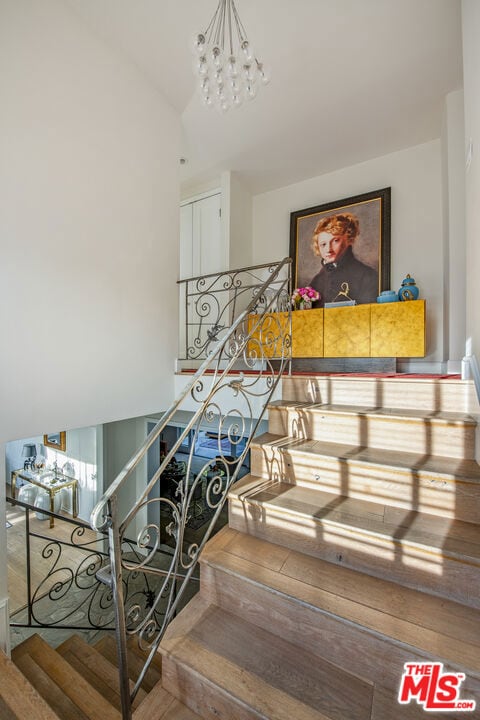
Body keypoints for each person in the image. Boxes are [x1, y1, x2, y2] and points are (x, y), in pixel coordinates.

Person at [308, 212, 378, 307]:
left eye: (335, 241)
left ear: (349, 239)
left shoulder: (367, 275)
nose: (328, 249)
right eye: (323, 244)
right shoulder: (316, 282)